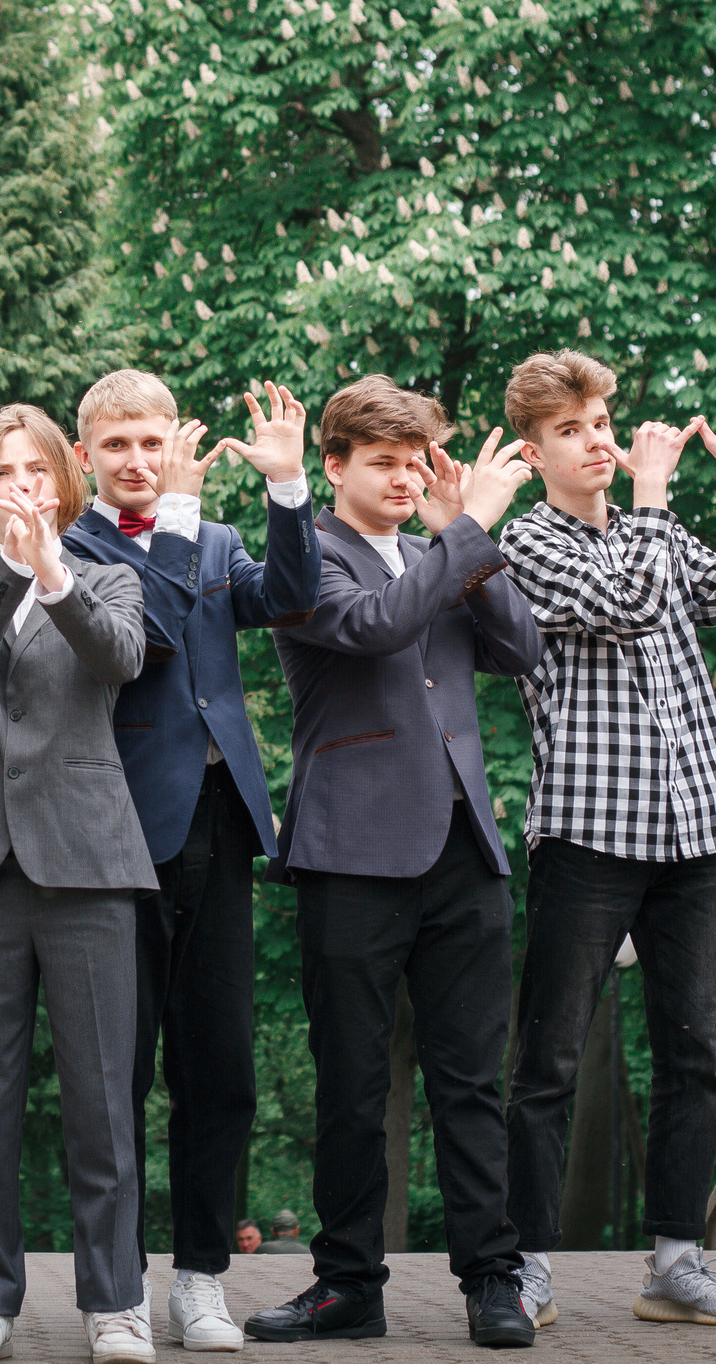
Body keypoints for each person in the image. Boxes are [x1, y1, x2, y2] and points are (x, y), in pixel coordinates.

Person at [493, 352, 716, 1331]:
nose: (600, 443)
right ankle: (527, 1263)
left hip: (691, 825)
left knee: (696, 1054)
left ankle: (675, 1262)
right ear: (535, 452)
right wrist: (661, 498)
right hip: (588, 832)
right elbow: (624, 603)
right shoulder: (524, 545)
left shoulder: (646, 531)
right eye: (573, 431)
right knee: (549, 1060)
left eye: (602, 424)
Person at [250, 376, 541, 1350]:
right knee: (353, 1084)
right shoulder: (304, 558)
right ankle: (346, 1286)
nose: (405, 476)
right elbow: (376, 629)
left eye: (416, 459)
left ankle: (492, 1280)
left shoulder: (440, 548)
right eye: (382, 460)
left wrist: (468, 536)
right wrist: (470, 532)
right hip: (350, 855)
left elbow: (519, 645)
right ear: (332, 466)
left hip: (464, 849)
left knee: (469, 1081)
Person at [60, 373, 319, 1354]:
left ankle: (200, 1279)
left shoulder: (213, 540)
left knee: (220, 1072)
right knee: (112, 1075)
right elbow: (154, 636)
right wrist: (173, 518)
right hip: (114, 832)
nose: (139, 460)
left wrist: (289, 491)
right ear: (86, 455)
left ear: (176, 443)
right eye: (119, 444)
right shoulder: (74, 547)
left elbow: (291, 597)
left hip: (220, 825)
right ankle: (115, 1292)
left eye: (154, 442)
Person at [0, 406, 154, 1364]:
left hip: (89, 864)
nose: (21, 483)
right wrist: (11, 570)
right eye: (3, 470)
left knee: (102, 1100)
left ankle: (116, 1303)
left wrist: (51, 571)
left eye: (37, 469)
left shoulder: (109, 578)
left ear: (64, 482)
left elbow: (120, 659)